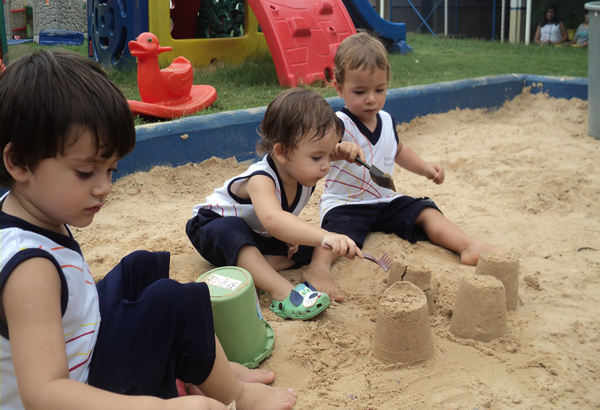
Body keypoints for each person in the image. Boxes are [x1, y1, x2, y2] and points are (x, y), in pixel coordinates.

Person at [0, 49, 296, 410]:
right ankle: (238, 394)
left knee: (139, 268)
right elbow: (43, 394)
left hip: (82, 346)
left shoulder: (27, 209)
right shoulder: (30, 270)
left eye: (111, 170)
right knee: (172, 303)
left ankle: (203, 368)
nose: (104, 187)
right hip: (81, 388)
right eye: (85, 172)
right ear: (19, 162)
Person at [301, 32, 503, 303]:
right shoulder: (337, 124)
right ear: (339, 88)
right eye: (360, 92)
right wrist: (338, 151)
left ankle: (467, 246)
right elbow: (319, 154)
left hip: (386, 199)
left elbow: (397, 150)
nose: (371, 99)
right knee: (336, 233)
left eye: (379, 90)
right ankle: (318, 268)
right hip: (347, 204)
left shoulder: (386, 119)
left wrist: (425, 168)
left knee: (425, 210)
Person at [186, 88, 364, 320]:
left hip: (258, 234)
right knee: (235, 230)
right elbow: (273, 220)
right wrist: (324, 236)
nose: (326, 166)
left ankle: (257, 268)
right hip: (214, 229)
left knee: (306, 245)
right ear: (281, 151)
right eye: (317, 157)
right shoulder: (261, 179)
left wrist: (343, 151)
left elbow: (323, 150)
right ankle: (281, 291)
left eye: (329, 155)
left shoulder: (302, 170)